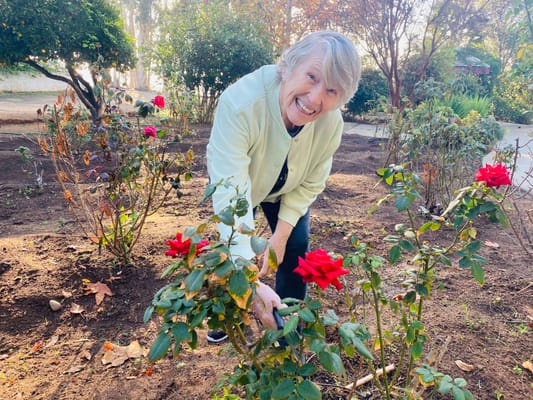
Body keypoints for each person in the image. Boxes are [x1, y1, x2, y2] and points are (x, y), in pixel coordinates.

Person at [206, 31, 361, 343]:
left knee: (295, 246)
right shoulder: (240, 104)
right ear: (287, 66)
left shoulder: (331, 123)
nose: (316, 98)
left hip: (288, 188)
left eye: (331, 90)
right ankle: (228, 314)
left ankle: (288, 329)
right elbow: (230, 192)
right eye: (312, 76)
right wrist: (249, 281)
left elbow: (312, 182)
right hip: (241, 185)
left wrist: (280, 237)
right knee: (233, 246)